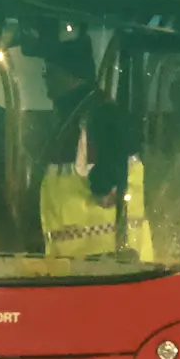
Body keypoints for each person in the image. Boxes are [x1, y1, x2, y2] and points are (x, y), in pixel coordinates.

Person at [37, 37, 151, 261]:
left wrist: (105, 185)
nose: (45, 80)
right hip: (85, 263)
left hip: (107, 262)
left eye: (49, 73)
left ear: (70, 75)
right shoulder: (81, 114)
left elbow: (106, 187)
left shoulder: (100, 116)